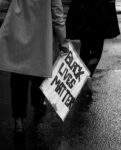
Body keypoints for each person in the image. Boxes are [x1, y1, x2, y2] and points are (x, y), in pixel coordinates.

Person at [0, 0, 69, 132]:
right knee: (38, 72)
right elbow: (57, 15)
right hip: (40, 38)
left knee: (18, 78)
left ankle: (18, 119)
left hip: (17, 34)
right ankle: (38, 104)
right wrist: (63, 42)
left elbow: (3, 3)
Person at [66, 0, 120, 97]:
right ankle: (88, 76)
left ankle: (85, 77)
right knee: (97, 49)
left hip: (82, 11)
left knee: (85, 46)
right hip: (100, 12)